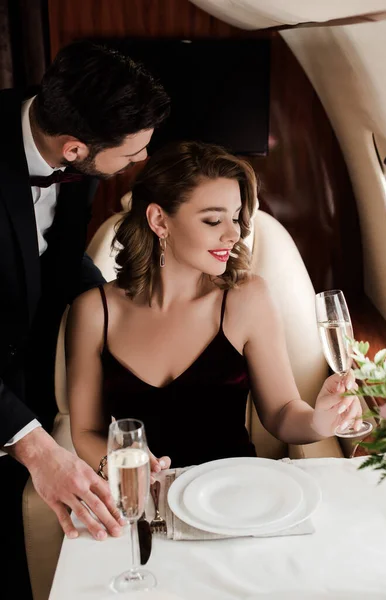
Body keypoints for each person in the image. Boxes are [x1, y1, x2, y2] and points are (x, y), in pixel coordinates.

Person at [67, 140, 362, 476]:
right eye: (212, 221)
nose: (233, 234)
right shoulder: (94, 312)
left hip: (236, 499)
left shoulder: (247, 299)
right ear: (159, 220)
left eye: (236, 218)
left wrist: (320, 421)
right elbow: (86, 431)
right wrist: (117, 467)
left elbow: (281, 413)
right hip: (144, 506)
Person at [0, 39, 170, 597]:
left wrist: (114, 307)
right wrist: (37, 449)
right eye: (132, 153)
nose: (141, 160)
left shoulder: (66, 124)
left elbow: (58, 257)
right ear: (75, 149)